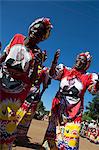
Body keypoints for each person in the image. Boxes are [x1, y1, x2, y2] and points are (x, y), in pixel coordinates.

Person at [0, 17, 52, 150]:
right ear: (30, 28)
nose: (36, 32)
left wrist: (37, 65)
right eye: (35, 28)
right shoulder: (17, 37)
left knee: (7, 119)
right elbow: (4, 55)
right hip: (1, 81)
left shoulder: (37, 52)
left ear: (42, 38)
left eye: (40, 32)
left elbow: (33, 79)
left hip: (16, 92)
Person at [43, 50, 99, 150]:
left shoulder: (87, 77)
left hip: (74, 114)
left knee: (71, 142)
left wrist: (98, 84)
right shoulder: (65, 70)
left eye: (83, 61)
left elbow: (93, 90)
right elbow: (52, 74)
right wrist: (54, 62)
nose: (80, 61)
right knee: (52, 140)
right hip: (58, 110)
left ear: (86, 64)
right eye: (79, 59)